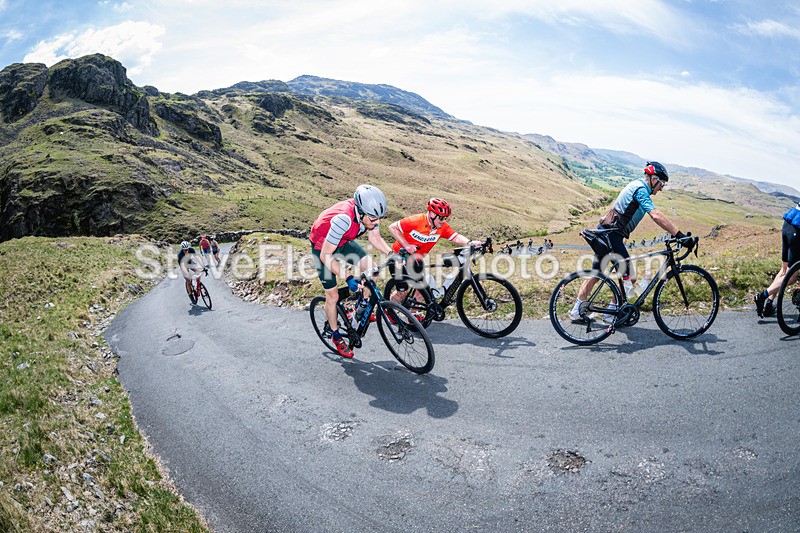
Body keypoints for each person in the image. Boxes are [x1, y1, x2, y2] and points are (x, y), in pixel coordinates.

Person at [570, 161, 693, 322]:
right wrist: (679, 234)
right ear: (653, 178)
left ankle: (577, 311)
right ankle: (609, 315)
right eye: (661, 183)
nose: (662, 188)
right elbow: (655, 215)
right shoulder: (641, 190)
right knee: (631, 278)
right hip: (612, 236)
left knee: (596, 274)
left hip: (607, 233)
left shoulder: (636, 185)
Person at [310, 184, 393, 358]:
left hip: (343, 241)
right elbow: (326, 256)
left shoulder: (369, 216)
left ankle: (360, 308)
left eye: (379, 218)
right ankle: (336, 335)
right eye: (372, 218)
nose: (376, 222)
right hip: (322, 247)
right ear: (360, 212)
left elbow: (374, 237)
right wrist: (347, 277)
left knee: (372, 270)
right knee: (332, 295)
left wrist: (392, 254)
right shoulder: (344, 220)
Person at [388, 198, 482, 309]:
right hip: (399, 258)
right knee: (402, 292)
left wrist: (470, 242)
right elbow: (393, 227)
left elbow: (455, 237)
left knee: (423, 290)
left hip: (416, 261)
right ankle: (388, 311)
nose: (443, 221)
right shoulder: (416, 220)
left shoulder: (442, 227)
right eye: (441, 217)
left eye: (446, 218)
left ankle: (413, 315)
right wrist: (406, 245)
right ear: (432, 214)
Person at [754, 202, 800, 318]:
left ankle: (768, 304)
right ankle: (762, 296)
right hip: (797, 230)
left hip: (788, 225)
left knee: (784, 270)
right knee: (791, 276)